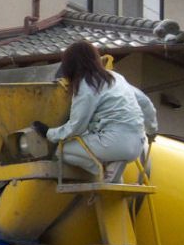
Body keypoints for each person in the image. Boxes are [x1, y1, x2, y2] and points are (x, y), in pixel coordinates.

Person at [35, 41, 156, 178]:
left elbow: (77, 126)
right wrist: (152, 131)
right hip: (138, 144)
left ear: (70, 65)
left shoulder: (86, 86)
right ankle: (112, 166)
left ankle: (102, 171)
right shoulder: (116, 77)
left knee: (61, 151)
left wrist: (49, 133)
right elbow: (145, 103)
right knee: (96, 142)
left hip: (113, 142)